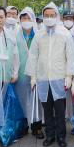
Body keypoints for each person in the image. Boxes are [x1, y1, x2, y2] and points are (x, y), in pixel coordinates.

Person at [25, 2, 74, 147]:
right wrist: (33, 76)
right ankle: (50, 135)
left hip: (59, 78)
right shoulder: (39, 34)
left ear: (57, 16)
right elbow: (33, 56)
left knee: (60, 110)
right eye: (46, 16)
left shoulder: (65, 34)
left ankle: (61, 136)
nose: (49, 18)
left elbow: (70, 56)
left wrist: (69, 76)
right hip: (43, 79)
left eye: (52, 15)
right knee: (47, 110)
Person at [14, 7, 44, 139]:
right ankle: (24, 125)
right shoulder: (15, 35)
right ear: (19, 20)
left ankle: (36, 126)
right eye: (23, 18)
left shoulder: (39, 35)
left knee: (36, 99)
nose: (26, 21)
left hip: (36, 73)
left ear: (33, 20)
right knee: (21, 99)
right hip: (20, 73)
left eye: (28, 19)